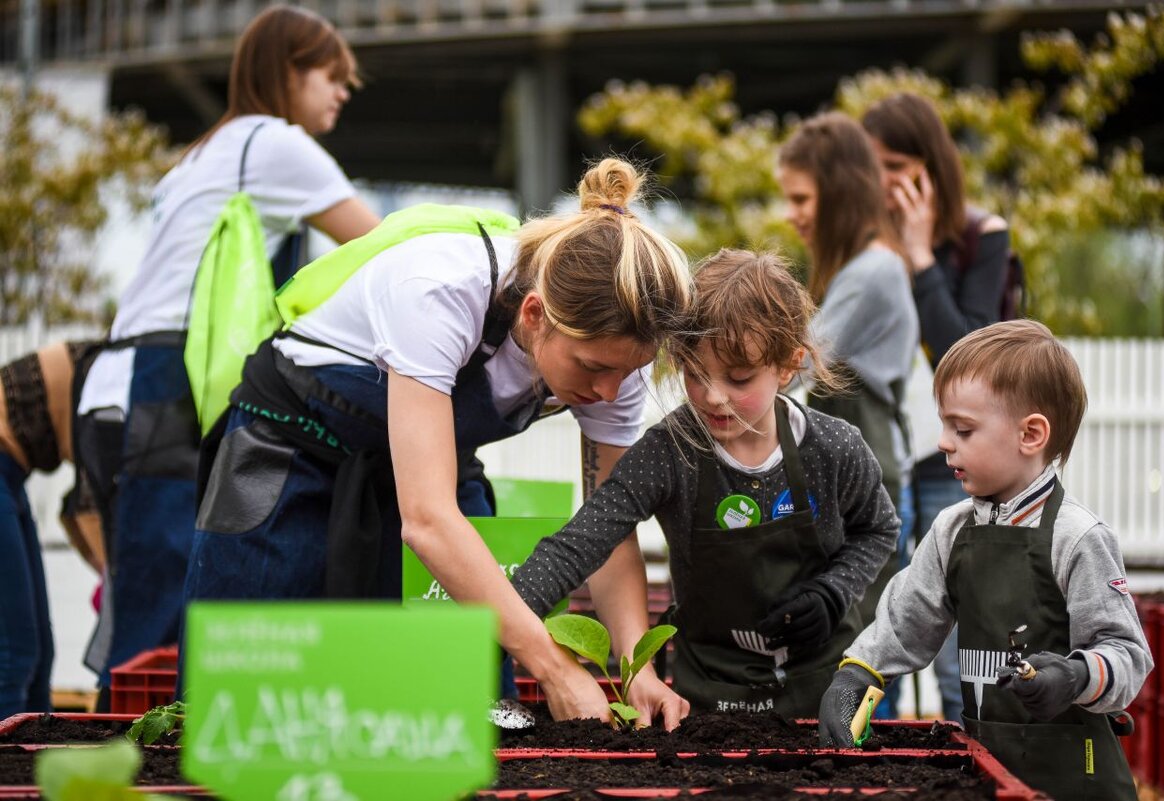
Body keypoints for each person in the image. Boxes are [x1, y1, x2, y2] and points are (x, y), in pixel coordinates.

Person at [181, 157, 693, 725]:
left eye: (629, 372)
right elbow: (426, 519)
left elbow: (610, 525)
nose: (610, 390)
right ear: (534, 314)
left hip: (433, 467)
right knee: (238, 689)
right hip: (289, 447)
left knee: (463, 699)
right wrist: (553, 667)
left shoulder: (618, 354)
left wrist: (635, 671)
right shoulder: (440, 289)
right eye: (592, 367)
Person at [73, 5, 381, 703]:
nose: (341, 93)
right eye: (331, 77)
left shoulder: (204, 151)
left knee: (145, 596)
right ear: (289, 72)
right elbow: (385, 245)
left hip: (117, 380)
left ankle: (126, 756)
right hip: (171, 381)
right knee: (159, 616)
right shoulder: (275, 143)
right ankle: (137, 770)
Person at [510, 249, 898, 721]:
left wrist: (834, 591)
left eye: (739, 379)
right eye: (695, 374)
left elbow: (877, 530)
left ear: (788, 365)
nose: (714, 397)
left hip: (827, 690)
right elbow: (582, 542)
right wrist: (498, 622)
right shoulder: (668, 453)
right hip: (706, 700)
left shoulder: (834, 447)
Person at [818, 320, 1151, 801]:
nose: (943, 442)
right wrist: (858, 672)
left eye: (963, 428)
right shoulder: (953, 531)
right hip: (986, 773)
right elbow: (907, 621)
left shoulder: (1077, 538)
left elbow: (1127, 656)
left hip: (1074, 781)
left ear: (1031, 434)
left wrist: (1076, 674)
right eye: (944, 425)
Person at [862, 92, 1012, 724]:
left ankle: (972, 755)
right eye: (872, 166)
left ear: (930, 165)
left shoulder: (980, 237)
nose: (884, 181)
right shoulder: (863, 245)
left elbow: (967, 356)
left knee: (961, 628)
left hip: (952, 457)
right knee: (880, 613)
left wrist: (921, 255)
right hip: (881, 453)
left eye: (895, 163)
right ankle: (870, 755)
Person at [776, 111, 918, 717]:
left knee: (861, 654)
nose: (793, 214)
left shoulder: (872, 274)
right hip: (863, 477)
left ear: (838, 192)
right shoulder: (864, 270)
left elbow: (797, 362)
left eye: (802, 198)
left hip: (870, 489)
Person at [1, 341, 104, 719]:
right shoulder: (109, 377)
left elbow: (72, 506)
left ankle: (35, 770)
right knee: (14, 654)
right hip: (4, 466)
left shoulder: (106, 365)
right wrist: (111, 576)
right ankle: (10, 773)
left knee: (39, 654)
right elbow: (90, 500)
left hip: (13, 473)